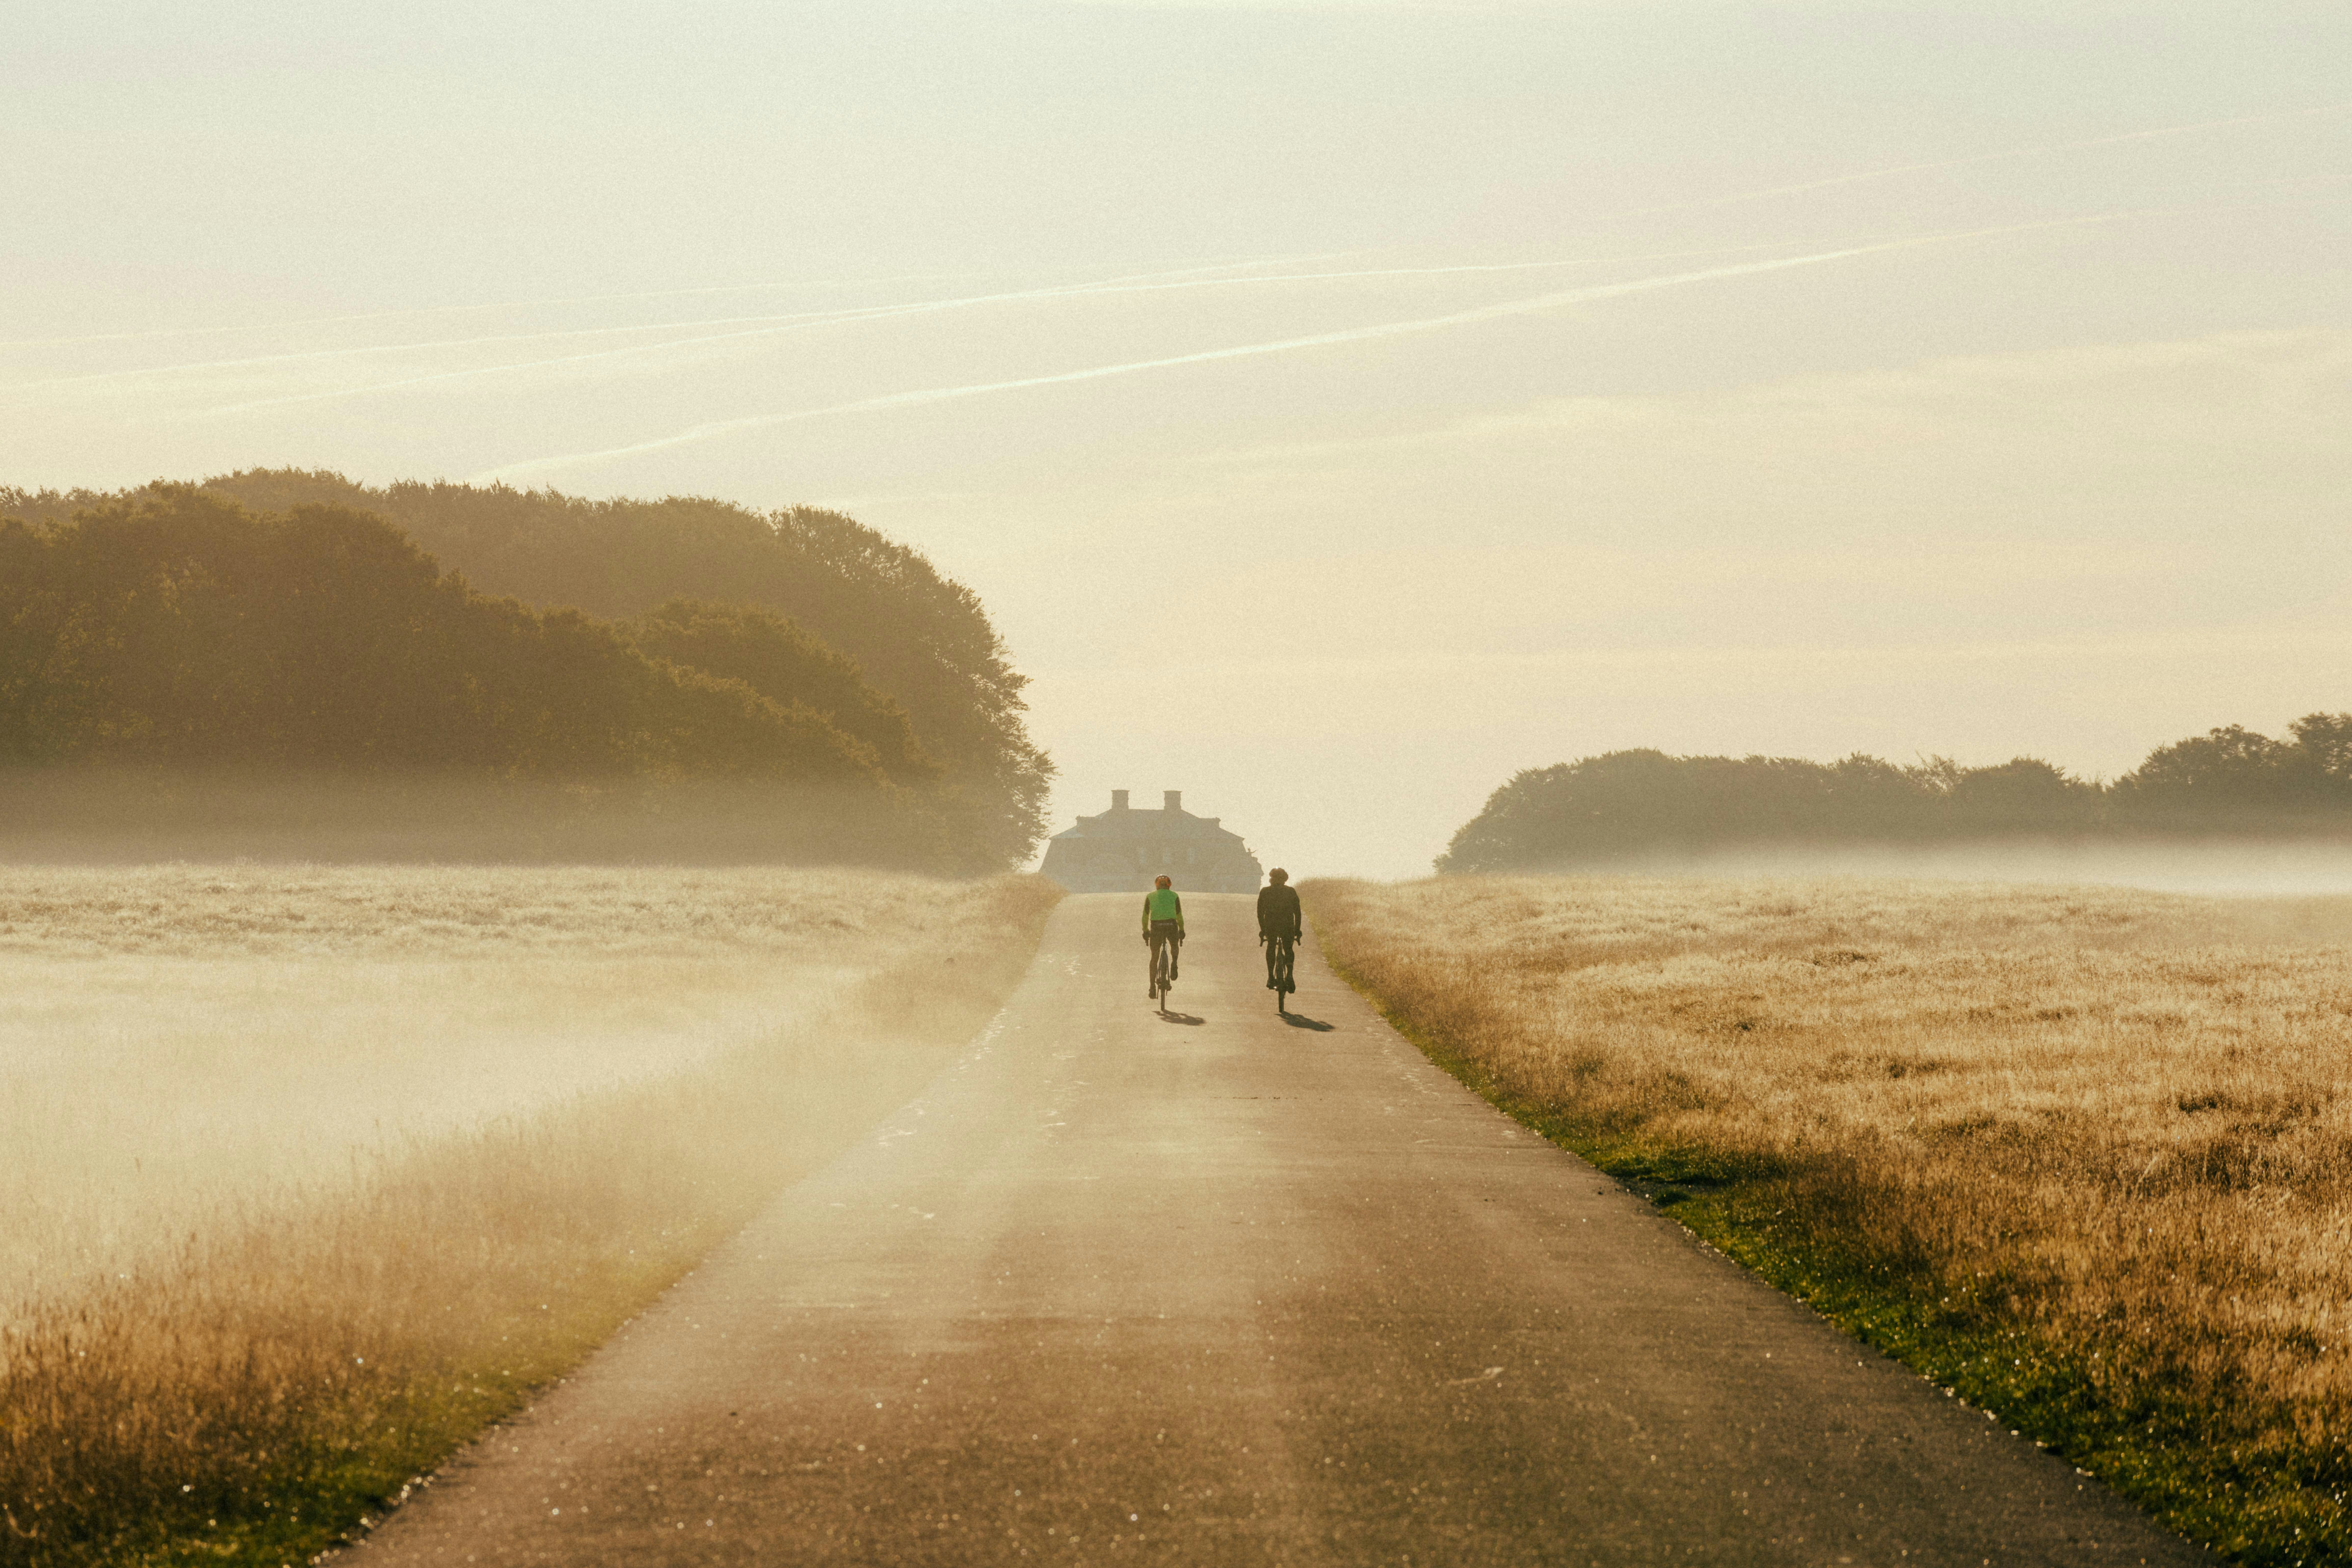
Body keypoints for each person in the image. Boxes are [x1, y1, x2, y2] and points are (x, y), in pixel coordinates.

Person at [1257, 868, 1301, 992]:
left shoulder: (1265, 892)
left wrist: (1263, 930)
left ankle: (1271, 977)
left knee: (1271, 947)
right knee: (1288, 949)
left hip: (1271, 926)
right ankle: (1290, 976)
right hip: (1288, 926)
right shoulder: (1291, 892)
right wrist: (1298, 930)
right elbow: (1298, 913)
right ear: (1285, 880)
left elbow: (1260, 914)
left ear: (1272, 879)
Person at [1141, 874, 1184, 996]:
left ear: (1157, 886)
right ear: (1169, 886)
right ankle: (1174, 963)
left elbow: (1145, 916)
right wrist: (1182, 930)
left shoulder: (1150, 897)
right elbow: (1179, 916)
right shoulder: (1175, 896)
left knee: (1155, 957)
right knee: (1174, 945)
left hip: (1156, 927)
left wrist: (1145, 931)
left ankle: (1152, 987)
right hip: (1171, 926)